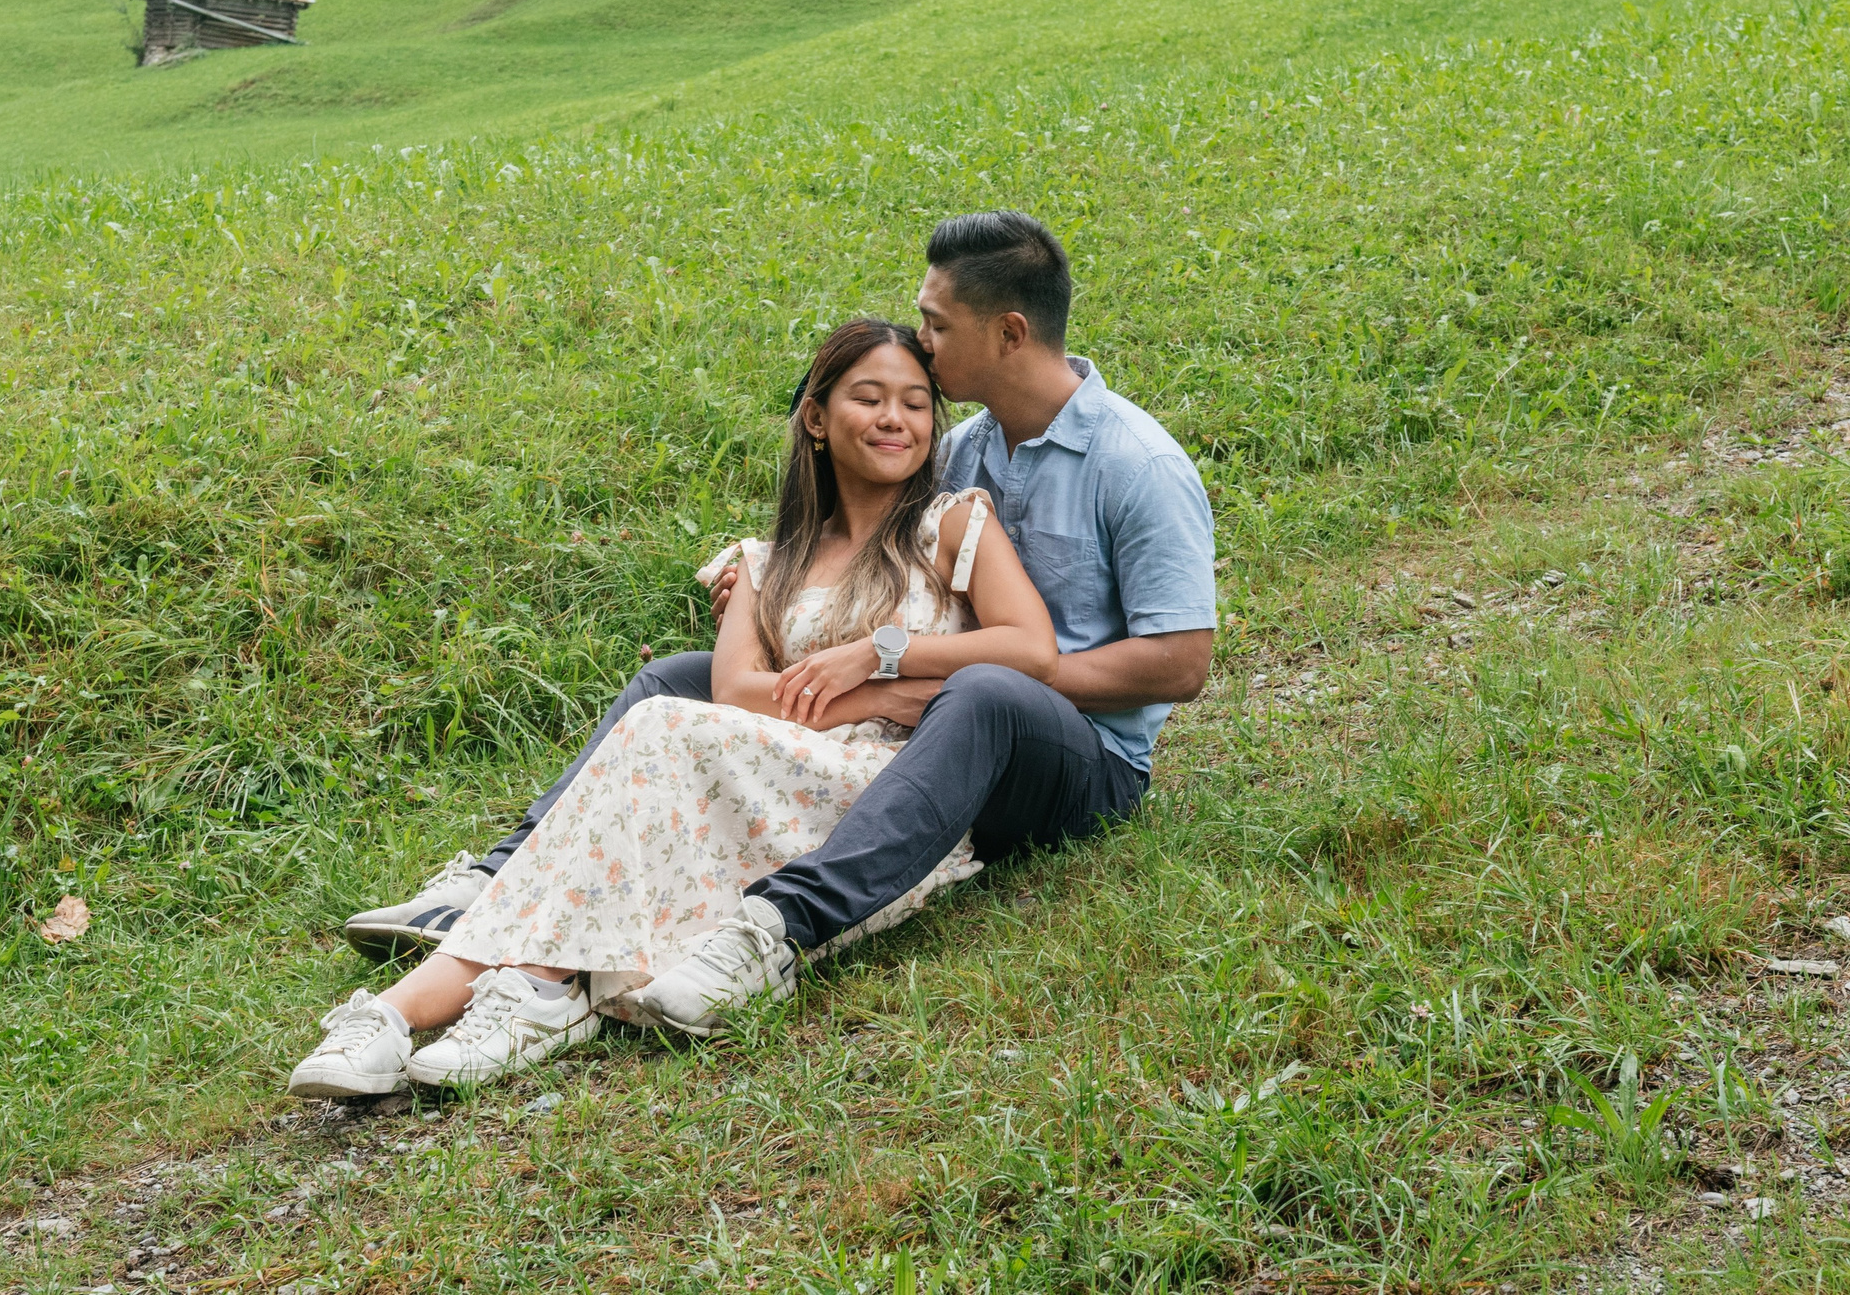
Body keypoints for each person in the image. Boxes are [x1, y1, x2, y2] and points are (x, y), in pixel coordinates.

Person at [286, 210, 1218, 1094]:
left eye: (934, 328)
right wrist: (780, 597)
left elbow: (1174, 664)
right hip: (920, 715)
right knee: (674, 685)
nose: (920, 350)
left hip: (1073, 749)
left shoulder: (1135, 463)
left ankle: (773, 929)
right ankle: (498, 875)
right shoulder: (964, 447)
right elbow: (858, 552)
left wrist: (898, 662)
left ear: (1007, 332)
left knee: (978, 689)